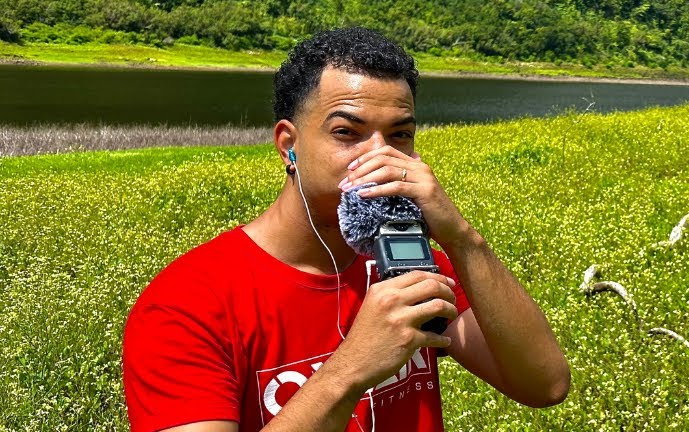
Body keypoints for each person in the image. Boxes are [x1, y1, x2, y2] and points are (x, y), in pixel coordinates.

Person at [122, 27, 570, 432]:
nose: (380, 159)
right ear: (288, 145)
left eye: (400, 136)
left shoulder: (411, 266)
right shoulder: (187, 304)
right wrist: (350, 371)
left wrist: (461, 237)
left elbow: (545, 384)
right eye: (346, 133)